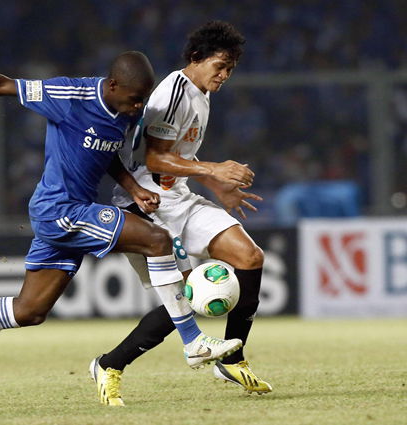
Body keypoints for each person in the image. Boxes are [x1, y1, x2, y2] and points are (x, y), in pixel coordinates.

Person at [0, 35, 251, 381]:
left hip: (72, 213)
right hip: (59, 209)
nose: (139, 109)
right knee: (157, 241)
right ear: (112, 86)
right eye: (134, 100)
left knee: (29, 311)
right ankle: (193, 342)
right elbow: (0, 85)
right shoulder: (69, 95)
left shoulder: (127, 109)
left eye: (142, 101)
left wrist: (133, 187)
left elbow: (106, 154)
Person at [89, 21, 272, 406]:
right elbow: (154, 158)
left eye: (230, 69)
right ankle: (109, 365)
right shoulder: (174, 90)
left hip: (180, 198)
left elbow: (179, 161)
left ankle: (232, 358)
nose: (224, 75)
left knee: (250, 258)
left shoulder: (202, 95)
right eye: (219, 66)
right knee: (188, 298)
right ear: (195, 59)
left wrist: (216, 184)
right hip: (144, 205)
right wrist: (213, 169)